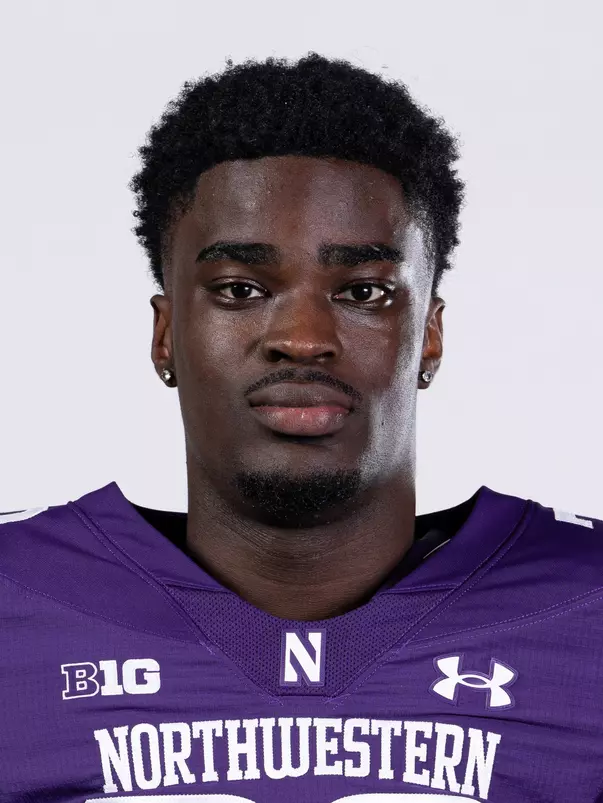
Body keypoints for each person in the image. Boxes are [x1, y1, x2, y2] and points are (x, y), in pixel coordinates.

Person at [1, 53, 602, 803]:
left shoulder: (585, 607)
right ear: (165, 335)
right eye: (240, 289)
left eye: (363, 292)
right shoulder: (15, 599)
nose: (303, 338)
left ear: (429, 335)